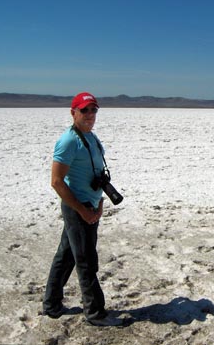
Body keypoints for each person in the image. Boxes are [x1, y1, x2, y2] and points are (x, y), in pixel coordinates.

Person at [41, 92, 123, 326]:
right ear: (73, 112)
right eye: (84, 110)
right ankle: (95, 314)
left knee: (66, 255)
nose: (90, 115)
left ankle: (52, 305)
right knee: (86, 260)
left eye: (93, 110)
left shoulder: (92, 138)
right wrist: (82, 210)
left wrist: (98, 202)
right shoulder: (68, 141)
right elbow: (57, 181)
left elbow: (96, 174)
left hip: (90, 205)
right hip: (77, 208)